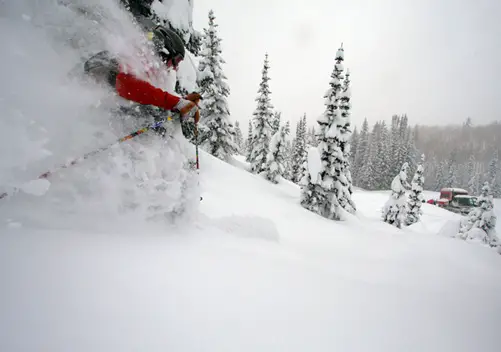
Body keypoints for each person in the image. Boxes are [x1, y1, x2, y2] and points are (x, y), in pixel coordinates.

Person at [84, 24, 201, 128]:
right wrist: (176, 103)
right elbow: (131, 88)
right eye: (176, 60)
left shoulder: (144, 63)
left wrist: (181, 104)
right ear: (165, 51)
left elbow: (151, 94)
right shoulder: (133, 55)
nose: (175, 68)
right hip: (86, 112)